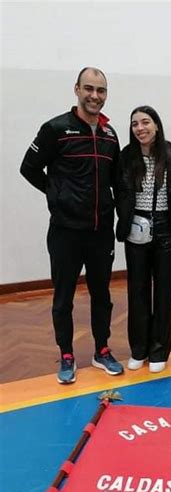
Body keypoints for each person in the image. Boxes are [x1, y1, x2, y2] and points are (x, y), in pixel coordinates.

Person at [20, 67, 124, 384]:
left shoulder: (110, 135)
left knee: (101, 295)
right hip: (65, 231)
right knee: (63, 296)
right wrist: (58, 195)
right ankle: (66, 354)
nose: (95, 96)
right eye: (89, 88)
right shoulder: (55, 129)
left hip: (100, 231)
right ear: (76, 89)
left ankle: (101, 350)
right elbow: (29, 168)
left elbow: (115, 180)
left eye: (101, 90)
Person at [115, 106, 171, 374]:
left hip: (167, 229)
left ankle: (159, 350)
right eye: (135, 124)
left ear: (156, 125)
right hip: (137, 227)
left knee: (165, 292)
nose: (140, 128)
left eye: (146, 122)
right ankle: (139, 349)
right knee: (138, 290)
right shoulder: (125, 157)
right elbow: (120, 193)